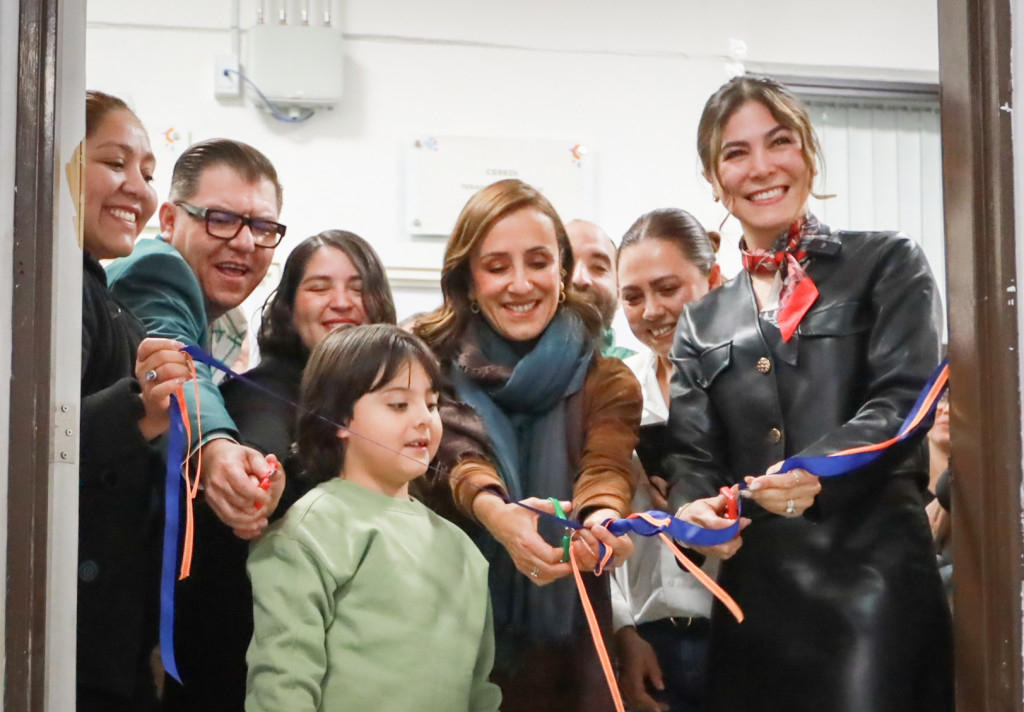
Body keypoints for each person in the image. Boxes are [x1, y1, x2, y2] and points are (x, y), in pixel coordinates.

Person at [663, 75, 952, 712]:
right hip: (752, 604)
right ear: (714, 180)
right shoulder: (701, 321)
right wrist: (692, 514)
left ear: (809, 154)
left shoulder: (886, 262)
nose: (761, 167)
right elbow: (690, 455)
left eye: (779, 142)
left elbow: (902, 398)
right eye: (735, 153)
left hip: (873, 588)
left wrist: (809, 471)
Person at [415, 178, 641, 712]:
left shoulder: (606, 379)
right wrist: (498, 514)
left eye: (538, 262)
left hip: (570, 643)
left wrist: (605, 519)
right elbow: (453, 459)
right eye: (496, 267)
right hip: (449, 633)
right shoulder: (427, 367)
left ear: (562, 272)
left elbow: (606, 467)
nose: (521, 283)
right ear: (468, 281)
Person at [163, 230, 397, 711]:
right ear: (289, 308)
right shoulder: (261, 391)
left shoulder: (393, 401)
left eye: (357, 287)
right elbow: (261, 440)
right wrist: (260, 480)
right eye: (319, 287)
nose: (341, 302)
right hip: (244, 662)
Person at [246, 324, 501, 712]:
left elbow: (480, 692)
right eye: (399, 404)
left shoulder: (462, 547)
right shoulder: (311, 530)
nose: (423, 419)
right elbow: (283, 685)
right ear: (339, 420)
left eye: (431, 404)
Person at [106, 138, 287, 539]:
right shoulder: (156, 269)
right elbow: (177, 362)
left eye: (262, 227)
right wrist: (218, 451)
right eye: (220, 218)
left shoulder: (231, 323)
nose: (244, 243)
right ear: (169, 221)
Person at [78, 90, 191, 711]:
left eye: (147, 172)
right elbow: (39, 442)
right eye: (115, 163)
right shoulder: (50, 295)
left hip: (116, 645)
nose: (137, 189)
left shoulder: (101, 296)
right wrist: (141, 408)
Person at [611, 208, 723, 712]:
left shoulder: (758, 387)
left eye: (667, 288)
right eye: (633, 297)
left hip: (743, 629)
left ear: (713, 279)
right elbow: (598, 518)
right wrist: (621, 630)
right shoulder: (617, 389)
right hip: (651, 639)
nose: (651, 310)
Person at [566, 218, 635, 358]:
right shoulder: (510, 369)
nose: (579, 279)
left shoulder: (644, 374)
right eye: (566, 264)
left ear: (619, 291)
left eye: (598, 267)